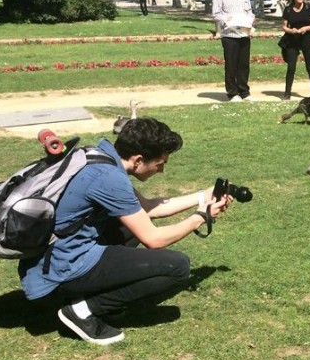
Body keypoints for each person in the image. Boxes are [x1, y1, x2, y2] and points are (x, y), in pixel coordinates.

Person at [17, 117, 232, 346]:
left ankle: (88, 294)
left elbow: (148, 208)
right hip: (62, 266)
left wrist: (202, 196)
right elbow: (154, 239)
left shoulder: (101, 158)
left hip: (50, 257)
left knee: (129, 226)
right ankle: (83, 310)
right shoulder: (110, 179)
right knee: (177, 267)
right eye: (160, 164)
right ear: (139, 160)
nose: (161, 171)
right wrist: (201, 216)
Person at [212, 0, 255, 102]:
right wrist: (226, 19)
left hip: (243, 33)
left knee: (244, 64)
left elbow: (249, 12)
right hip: (229, 34)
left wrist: (250, 24)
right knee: (231, 65)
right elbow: (216, 14)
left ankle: (244, 91)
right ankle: (232, 92)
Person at [280, 0, 310, 100]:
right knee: (291, 67)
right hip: (292, 41)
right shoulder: (288, 10)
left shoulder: (308, 8)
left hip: (307, 40)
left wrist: (306, 28)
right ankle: (287, 93)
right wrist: (291, 31)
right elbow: (284, 27)